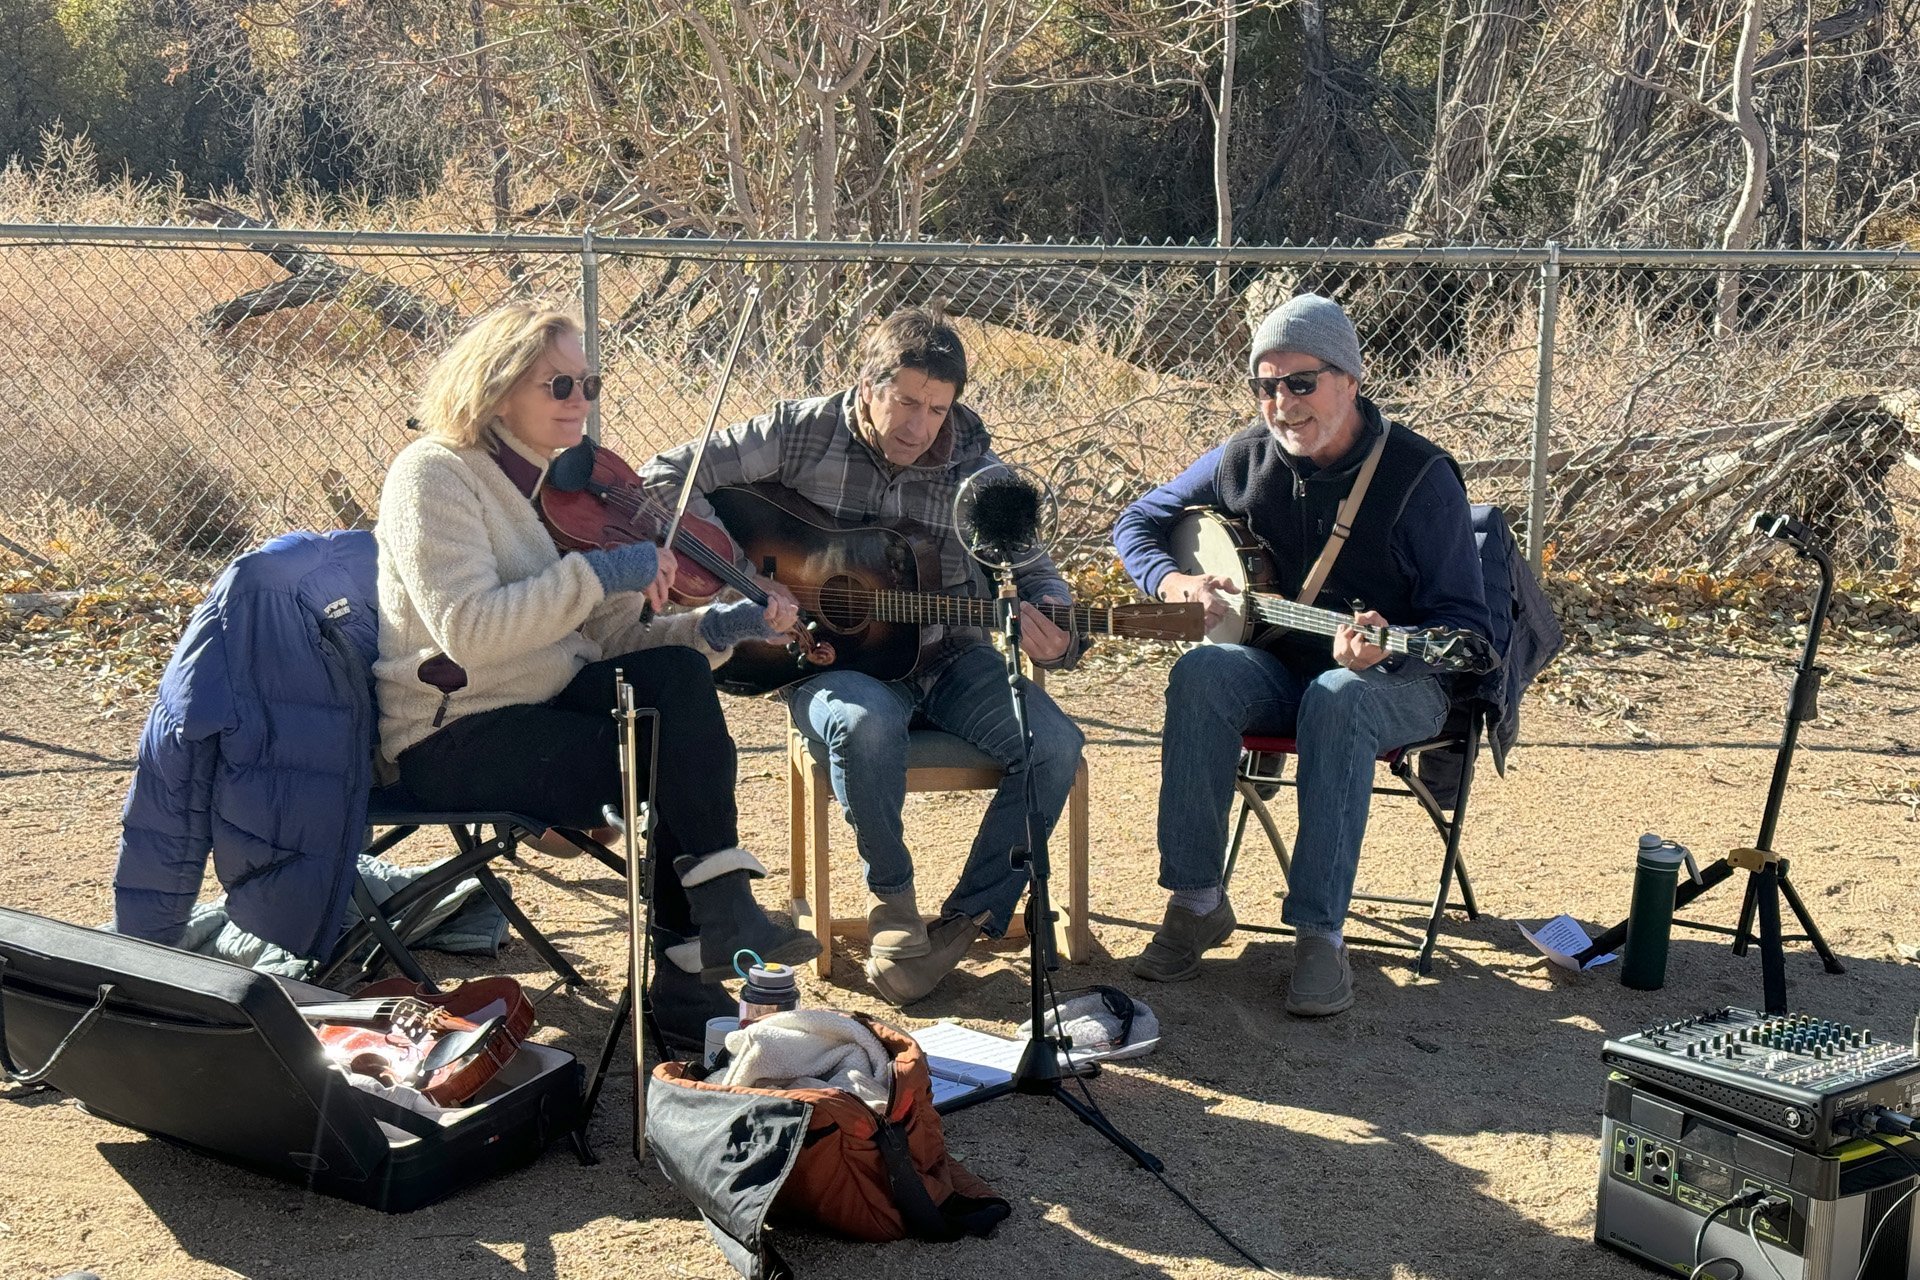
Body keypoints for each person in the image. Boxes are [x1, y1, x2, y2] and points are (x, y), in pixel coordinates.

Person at [374, 302, 820, 1046]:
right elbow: (471, 631)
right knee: (660, 753)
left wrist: (730, 625)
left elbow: (612, 636)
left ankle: (711, 915)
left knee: (674, 678)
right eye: (560, 386)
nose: (581, 401)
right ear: (497, 386)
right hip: (451, 734)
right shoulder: (434, 475)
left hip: (544, 708)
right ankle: (694, 961)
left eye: (590, 383)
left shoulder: (553, 488)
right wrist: (603, 569)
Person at [642, 307, 1086, 1006]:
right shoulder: (799, 431)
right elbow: (663, 478)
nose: (920, 426)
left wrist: (1061, 633)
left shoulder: (976, 469)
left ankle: (968, 921)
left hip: (950, 657)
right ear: (867, 384)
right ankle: (893, 907)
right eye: (906, 401)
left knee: (1055, 743)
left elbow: (1038, 573)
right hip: (826, 660)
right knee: (865, 723)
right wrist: (739, 571)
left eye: (937, 409)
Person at [1111, 293, 1491, 1017]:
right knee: (1200, 672)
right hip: (1281, 668)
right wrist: (1176, 580)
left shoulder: (1419, 477)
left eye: (1300, 384)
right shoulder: (1243, 458)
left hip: (1403, 681)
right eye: (1264, 385)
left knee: (1339, 697)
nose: (1280, 404)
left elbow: (1467, 635)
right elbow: (1138, 521)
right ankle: (1196, 902)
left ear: (1350, 379)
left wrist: (1387, 653)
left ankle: (1319, 933)